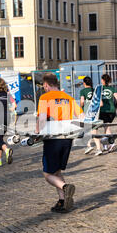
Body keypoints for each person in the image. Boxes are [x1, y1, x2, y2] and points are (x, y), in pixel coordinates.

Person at [36, 73, 82, 213]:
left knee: (47, 174)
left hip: (53, 139)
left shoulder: (45, 97)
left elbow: (42, 119)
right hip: (67, 139)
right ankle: (62, 201)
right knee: (57, 171)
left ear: (46, 85)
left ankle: (65, 187)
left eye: (44, 86)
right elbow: (81, 116)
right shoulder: (68, 97)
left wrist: (37, 133)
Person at [92, 74, 117, 156]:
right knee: (106, 126)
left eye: (101, 80)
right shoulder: (112, 89)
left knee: (106, 127)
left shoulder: (99, 88)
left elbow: (98, 101)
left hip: (104, 110)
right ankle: (106, 145)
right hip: (112, 110)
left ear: (103, 80)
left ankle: (111, 143)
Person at [79, 77, 96, 155]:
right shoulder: (94, 89)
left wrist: (81, 107)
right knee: (94, 128)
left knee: (86, 128)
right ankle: (98, 147)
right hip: (94, 111)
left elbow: (82, 101)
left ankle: (88, 145)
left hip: (86, 111)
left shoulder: (83, 91)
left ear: (84, 83)